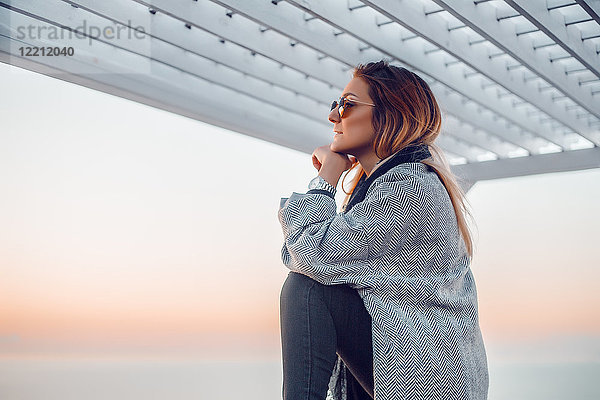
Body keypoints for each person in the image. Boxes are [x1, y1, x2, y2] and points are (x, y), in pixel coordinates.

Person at [277, 60, 489, 400]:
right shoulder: (389, 186)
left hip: (427, 382)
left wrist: (325, 179)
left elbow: (308, 252)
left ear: (390, 115)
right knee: (310, 284)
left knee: (306, 288)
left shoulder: (410, 189)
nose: (334, 116)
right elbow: (306, 253)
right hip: (414, 369)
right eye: (335, 105)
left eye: (347, 104)